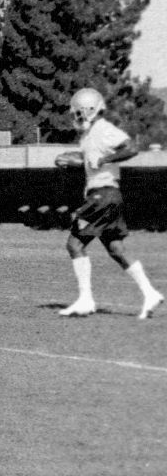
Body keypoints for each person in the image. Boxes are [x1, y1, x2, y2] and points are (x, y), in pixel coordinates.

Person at [57, 87, 163, 319]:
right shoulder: (90, 134)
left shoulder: (103, 129)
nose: (75, 117)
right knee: (116, 249)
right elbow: (90, 160)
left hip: (102, 195)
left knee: (74, 245)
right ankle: (150, 292)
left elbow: (131, 148)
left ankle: (85, 300)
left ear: (88, 110)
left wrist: (104, 158)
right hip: (108, 195)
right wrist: (70, 159)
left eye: (77, 112)